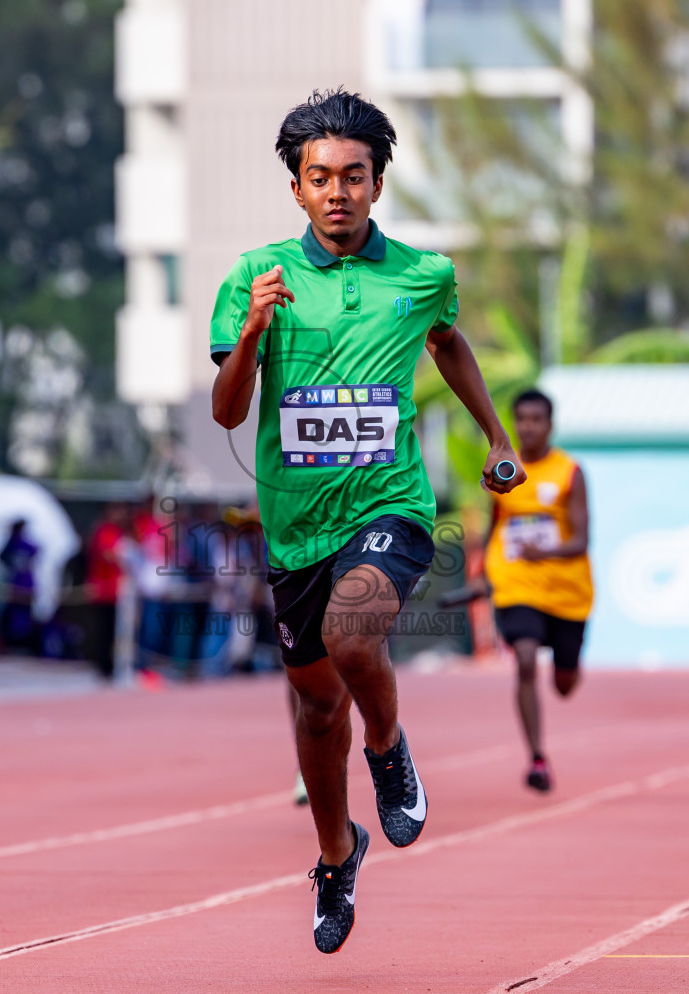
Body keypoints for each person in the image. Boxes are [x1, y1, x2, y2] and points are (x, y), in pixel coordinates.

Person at [209, 87, 522, 953]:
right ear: (299, 189)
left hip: (390, 506)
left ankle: (389, 749)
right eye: (320, 178)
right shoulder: (256, 277)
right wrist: (252, 335)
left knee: (355, 638)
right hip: (296, 526)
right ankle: (336, 853)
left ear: (378, 183)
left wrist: (496, 436)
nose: (338, 191)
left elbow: (448, 340)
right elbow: (228, 413)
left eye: (354, 175)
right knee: (314, 709)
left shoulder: (423, 275)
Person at [483, 390, 593, 794]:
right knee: (525, 659)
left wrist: (543, 550)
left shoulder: (569, 472)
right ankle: (537, 757)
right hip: (517, 583)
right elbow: (494, 526)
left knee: (564, 684)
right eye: (521, 419)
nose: (528, 427)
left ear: (550, 425)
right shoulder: (504, 469)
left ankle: (569, 665)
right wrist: (483, 576)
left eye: (536, 419)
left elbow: (582, 539)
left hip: (567, 590)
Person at [84, 502, 130, 680]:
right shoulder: (104, 531)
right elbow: (107, 554)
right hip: (104, 591)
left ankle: (112, 665)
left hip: (117, 591)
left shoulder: (119, 531)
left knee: (114, 631)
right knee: (104, 631)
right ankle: (104, 666)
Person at [0, 519, 39, 654]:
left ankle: (19, 643)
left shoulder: (14, 543)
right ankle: (19, 643)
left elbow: (1, 556)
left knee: (18, 616)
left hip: (18, 584)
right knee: (18, 616)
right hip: (23, 585)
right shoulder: (23, 544)